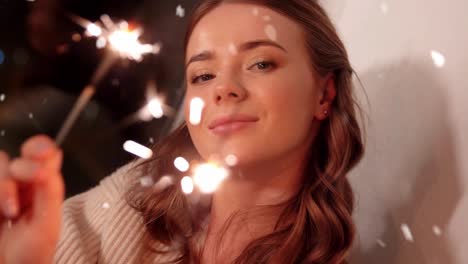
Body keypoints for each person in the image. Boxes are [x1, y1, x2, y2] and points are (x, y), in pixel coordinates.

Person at [0, 0, 364, 263]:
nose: (223, 89)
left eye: (260, 63)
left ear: (324, 93)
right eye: (203, 76)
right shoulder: (129, 205)